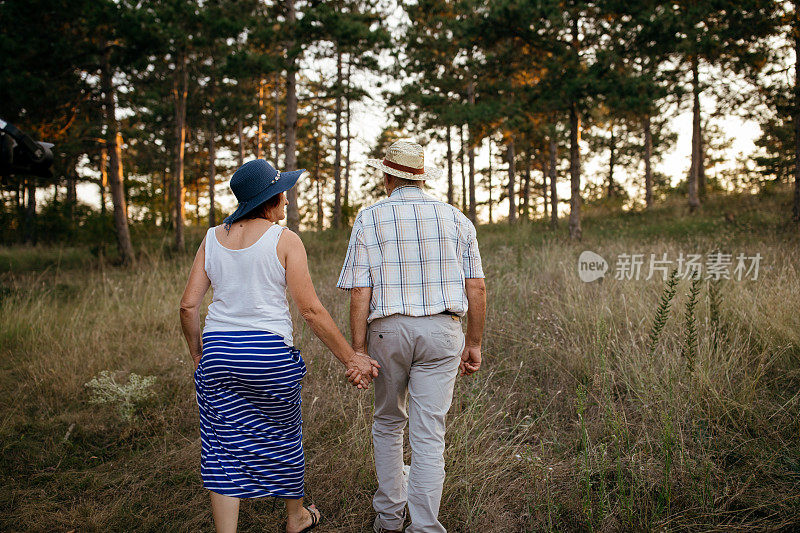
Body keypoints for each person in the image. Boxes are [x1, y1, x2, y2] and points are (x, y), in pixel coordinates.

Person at [179, 159, 380, 533]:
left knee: (222, 447)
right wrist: (351, 357)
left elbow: (188, 306)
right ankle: (296, 518)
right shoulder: (284, 240)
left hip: (218, 352)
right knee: (284, 435)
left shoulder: (211, 238)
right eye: (282, 193)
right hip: (268, 354)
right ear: (269, 199)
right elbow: (310, 309)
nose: (286, 200)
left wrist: (197, 353)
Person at [338, 140, 487, 533]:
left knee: (388, 422)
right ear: (421, 178)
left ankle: (388, 519)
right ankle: (424, 527)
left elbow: (358, 290)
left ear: (387, 177)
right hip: (442, 331)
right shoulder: (456, 219)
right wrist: (473, 343)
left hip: (387, 332)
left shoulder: (369, 218)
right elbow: (477, 289)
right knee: (429, 434)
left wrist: (357, 350)